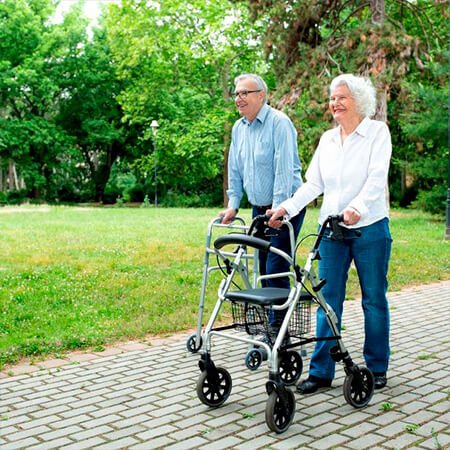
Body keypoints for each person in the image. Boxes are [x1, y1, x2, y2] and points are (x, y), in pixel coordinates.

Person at [268, 73, 392, 392]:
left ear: (358, 101)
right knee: (327, 300)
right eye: (332, 98)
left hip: (369, 229)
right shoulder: (327, 139)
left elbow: (376, 180)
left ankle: (377, 367)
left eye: (341, 98)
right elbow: (313, 184)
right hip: (332, 231)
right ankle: (322, 371)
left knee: (373, 299)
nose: (334, 103)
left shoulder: (377, 133)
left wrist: (357, 207)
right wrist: (287, 208)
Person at [220, 73, 306, 335]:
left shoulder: (279, 123)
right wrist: (233, 203)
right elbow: (234, 168)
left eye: (244, 93)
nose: (238, 98)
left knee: (276, 265)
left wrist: (279, 208)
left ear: (261, 95)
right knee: (262, 264)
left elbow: (283, 169)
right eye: (236, 93)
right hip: (259, 208)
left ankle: (279, 328)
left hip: (286, 206)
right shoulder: (239, 128)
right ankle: (272, 321)